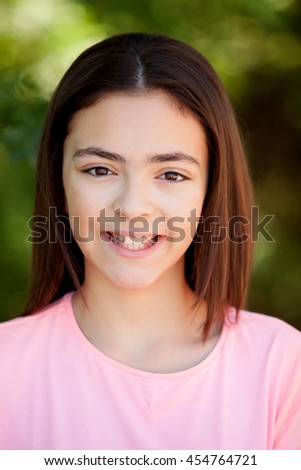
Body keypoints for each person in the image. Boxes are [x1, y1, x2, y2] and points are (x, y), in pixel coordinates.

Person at [0, 32, 300, 451]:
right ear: (59, 178)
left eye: (171, 175)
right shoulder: (6, 368)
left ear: (211, 188)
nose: (133, 208)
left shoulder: (283, 367)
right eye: (100, 170)